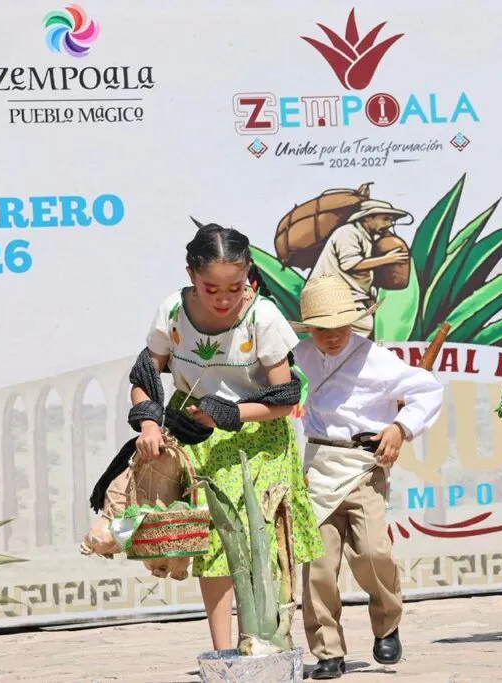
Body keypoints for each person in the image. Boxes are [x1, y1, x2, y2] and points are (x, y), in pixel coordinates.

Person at [134, 224, 325, 651]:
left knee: (262, 543)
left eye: (234, 287)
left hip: (259, 439)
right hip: (196, 437)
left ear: (249, 277)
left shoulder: (264, 317)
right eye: (210, 288)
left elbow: (283, 397)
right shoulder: (171, 312)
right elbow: (145, 375)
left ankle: (268, 646)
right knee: (215, 545)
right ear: (190, 276)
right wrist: (149, 423)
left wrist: (228, 413)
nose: (223, 299)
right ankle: (223, 654)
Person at [291, 274, 443, 679]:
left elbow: (427, 390)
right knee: (318, 567)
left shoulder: (376, 359)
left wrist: (399, 428)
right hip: (318, 468)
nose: (332, 335)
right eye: (322, 329)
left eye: (340, 326)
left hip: (364, 468)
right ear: (310, 329)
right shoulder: (299, 355)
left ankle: (387, 624)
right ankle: (327, 651)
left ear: (354, 322)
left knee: (373, 554)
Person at [308, 199, 412, 336]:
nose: (389, 224)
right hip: (332, 296)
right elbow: (350, 264)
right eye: (385, 219)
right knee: (362, 327)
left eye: (391, 220)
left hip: (348, 297)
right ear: (368, 217)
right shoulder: (348, 233)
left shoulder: (365, 236)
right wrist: (388, 259)